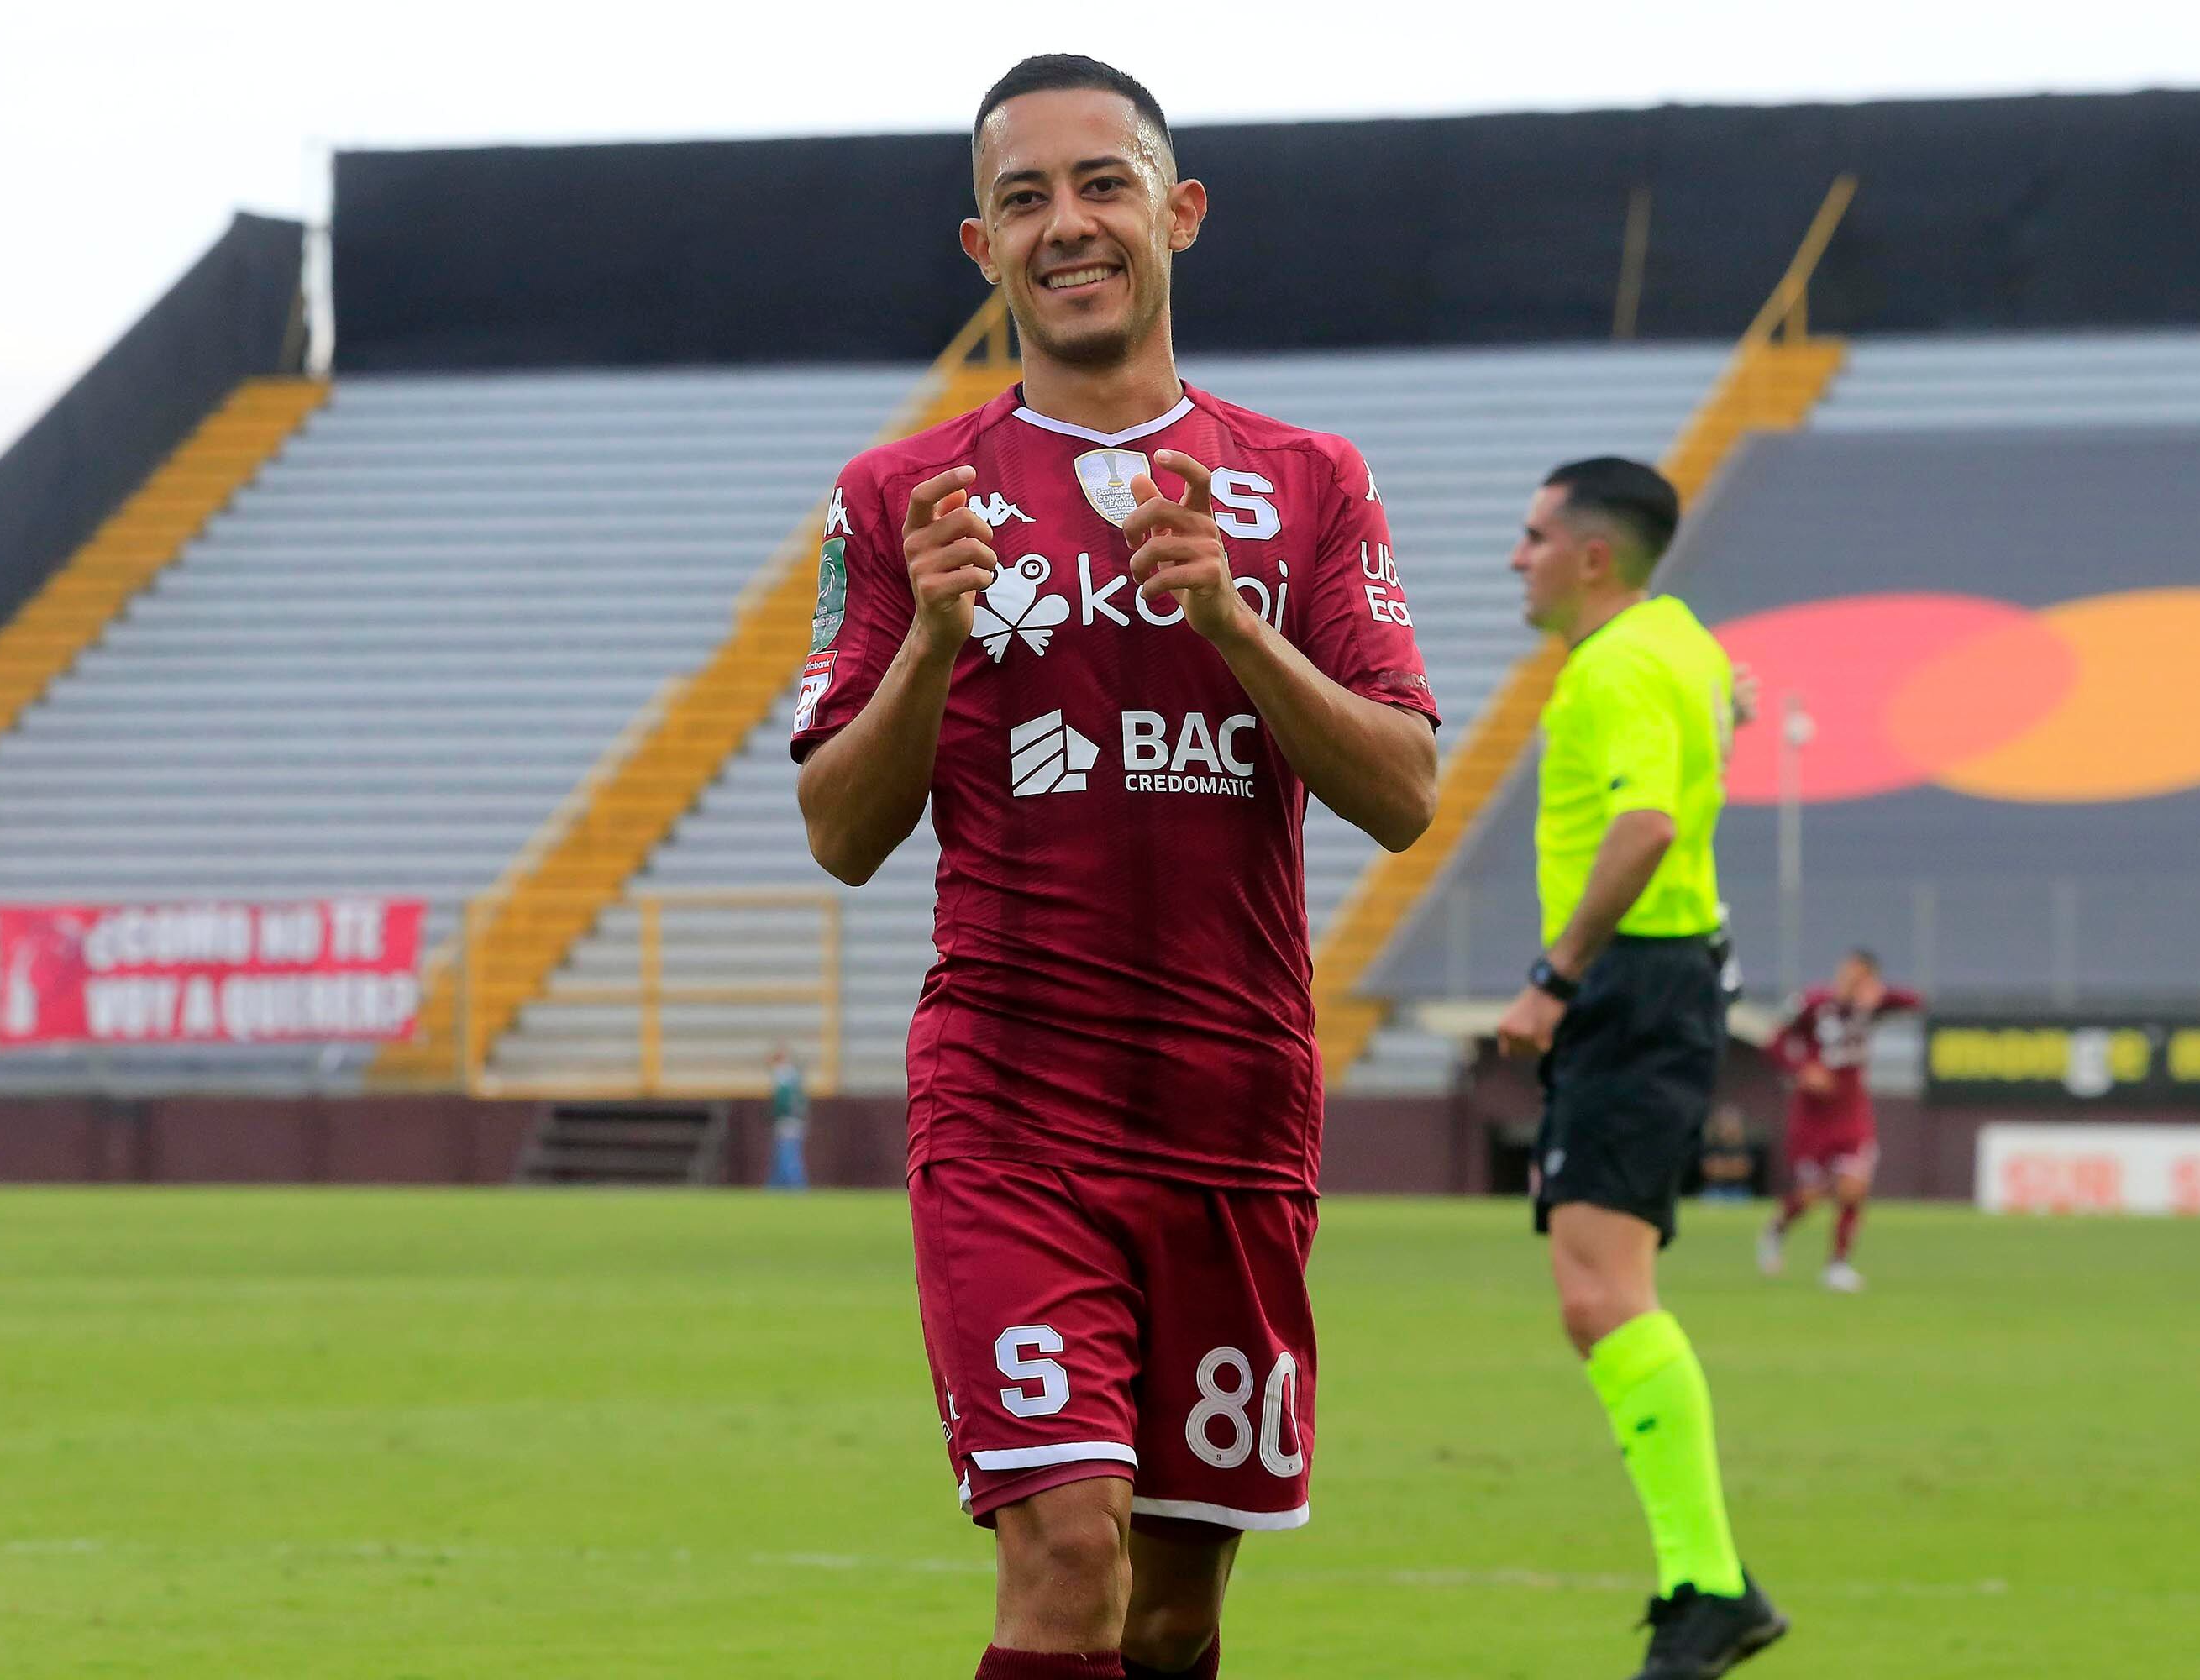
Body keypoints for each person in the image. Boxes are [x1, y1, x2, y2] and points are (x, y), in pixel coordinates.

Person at [794, 55, 1439, 1680]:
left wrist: (1234, 623)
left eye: (1103, 185)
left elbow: (1404, 793)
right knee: (1070, 1557)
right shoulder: (902, 499)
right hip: (1010, 1108)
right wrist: (932, 639)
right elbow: (842, 835)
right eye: (1024, 200)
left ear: (1181, 212)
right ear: (982, 247)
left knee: (1172, 1611)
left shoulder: (1307, 483)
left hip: (1237, 1113)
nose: (1066, 225)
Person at [1494, 459, 1788, 1677]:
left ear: (1592, 556)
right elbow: (1716, 719)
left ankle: (1708, 1585)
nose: (1517, 558)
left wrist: (1554, 976)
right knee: (1599, 1290)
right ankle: (1704, 1582)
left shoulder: (1618, 665)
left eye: (1533, 536)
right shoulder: (1681, 642)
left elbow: (1647, 823)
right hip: (1665, 980)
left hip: (1634, 985)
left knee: (1602, 1293)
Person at [1759, 948, 1922, 1291]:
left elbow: (1916, 1001)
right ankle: (1776, 1229)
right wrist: (1802, 1069)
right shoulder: (1813, 1003)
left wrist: (1880, 994)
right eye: (1848, 974)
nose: (1850, 982)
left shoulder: (1871, 1005)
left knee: (1853, 1188)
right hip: (1813, 1114)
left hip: (1852, 1112)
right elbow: (1774, 1040)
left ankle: (1838, 1265)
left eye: (1860, 977)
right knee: (1811, 1195)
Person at [765, 1043, 810, 1190]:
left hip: (788, 1120)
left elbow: (783, 1102)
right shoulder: (794, 1076)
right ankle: (774, 1187)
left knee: (788, 1155)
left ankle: (797, 1186)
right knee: (782, 1155)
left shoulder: (783, 1076)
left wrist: (775, 1113)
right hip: (795, 1120)